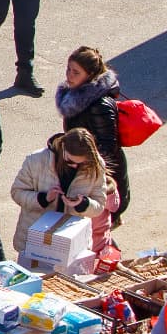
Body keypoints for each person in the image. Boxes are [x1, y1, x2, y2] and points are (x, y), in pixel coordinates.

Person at [54, 47, 132, 226]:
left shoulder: (100, 105)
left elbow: (107, 146)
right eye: (68, 69)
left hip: (102, 172)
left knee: (99, 226)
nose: (69, 76)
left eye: (76, 72)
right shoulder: (75, 97)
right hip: (83, 165)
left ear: (89, 75)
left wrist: (85, 164)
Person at [8, 129, 109, 258]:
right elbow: (17, 192)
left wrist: (83, 204)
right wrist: (43, 198)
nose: (74, 167)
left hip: (71, 244)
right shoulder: (36, 160)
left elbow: (99, 205)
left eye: (81, 163)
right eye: (70, 161)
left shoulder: (96, 165)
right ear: (62, 147)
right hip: (35, 240)